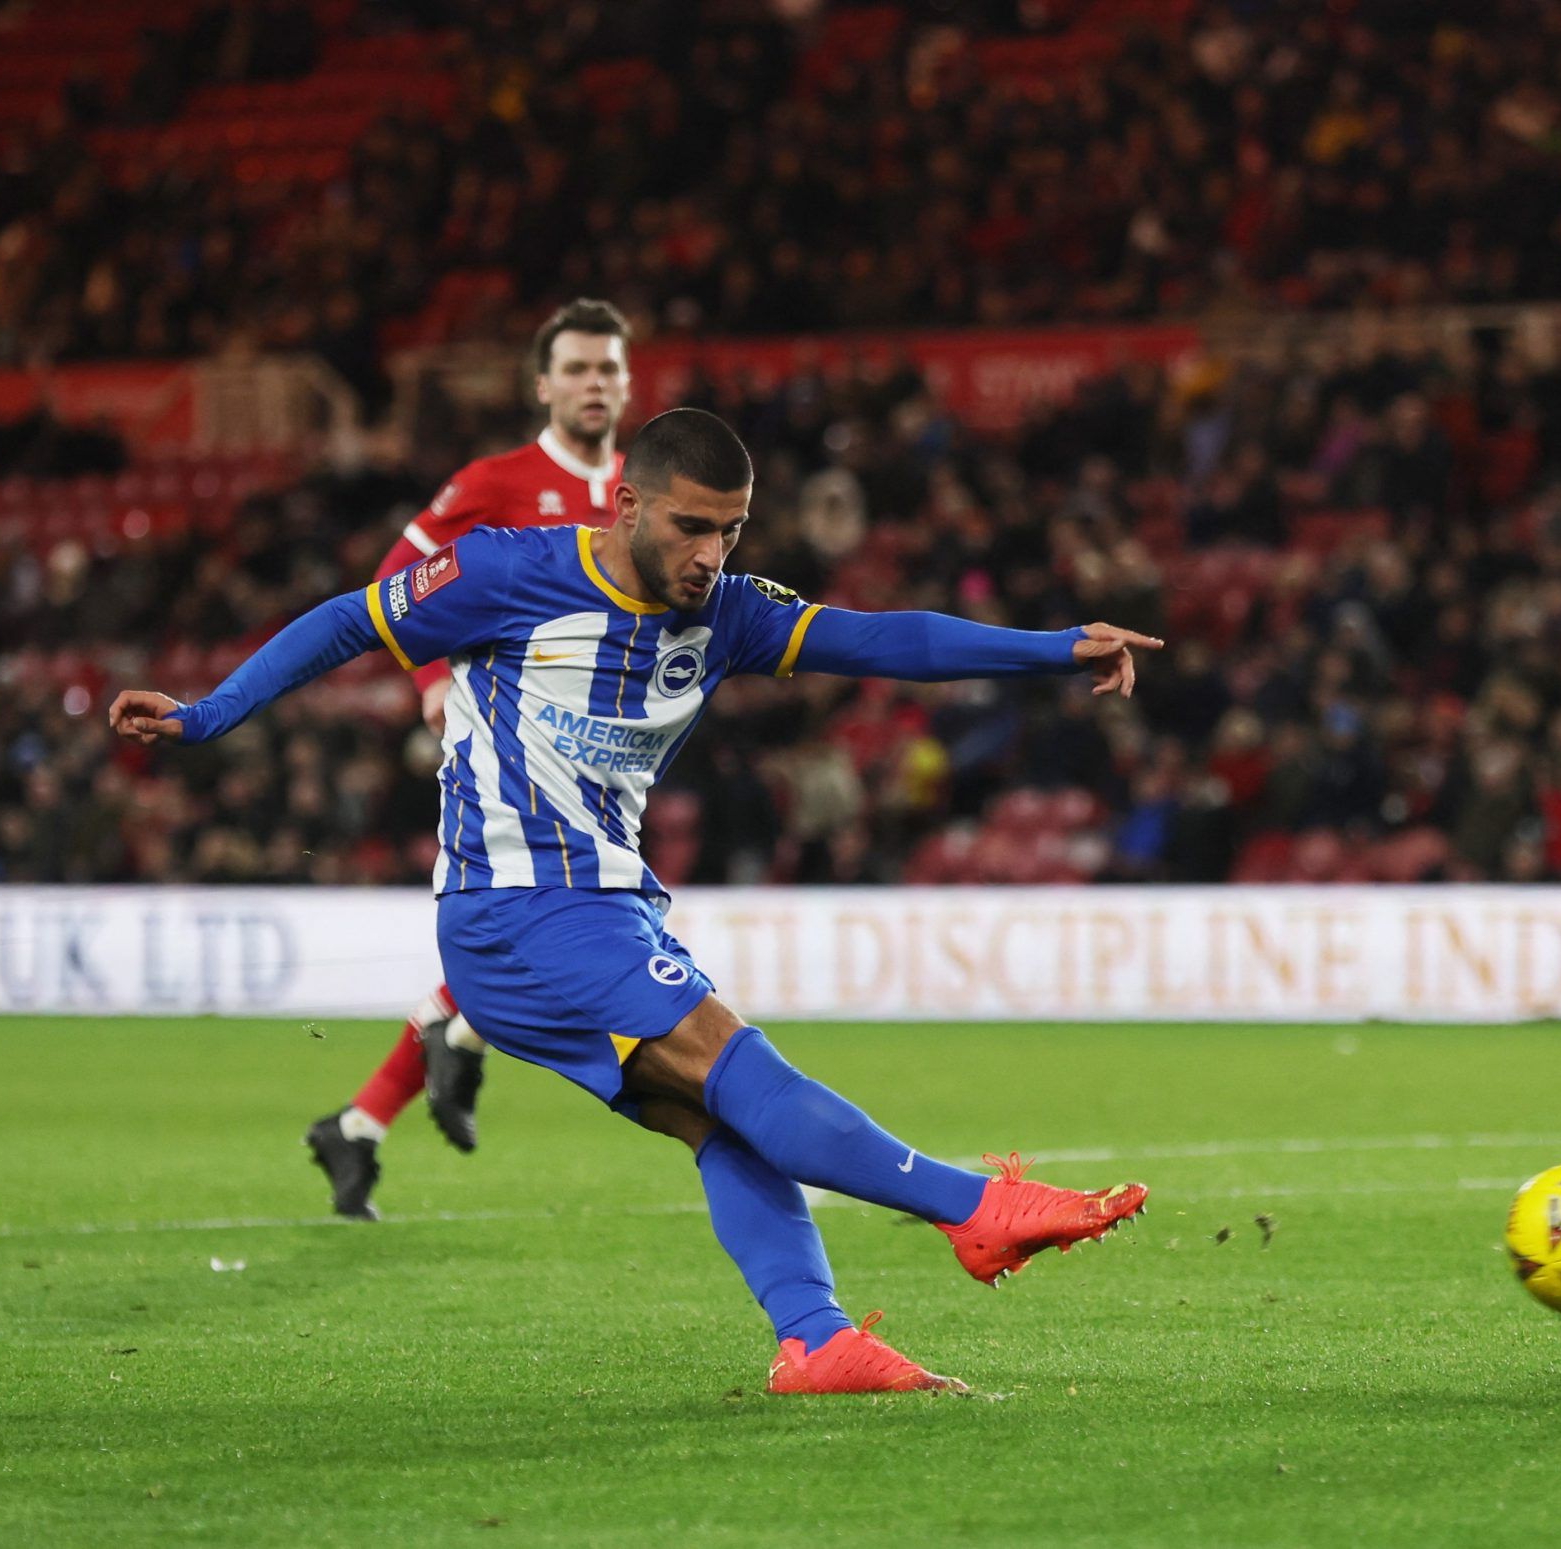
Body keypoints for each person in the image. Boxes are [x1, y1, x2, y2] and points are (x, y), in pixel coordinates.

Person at [112, 408, 1165, 1393]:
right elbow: (352, 621)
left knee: (722, 1124)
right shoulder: (506, 573)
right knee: (733, 1061)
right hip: (517, 910)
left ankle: (814, 1338)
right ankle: (974, 1206)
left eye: (733, 530)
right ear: (626, 506)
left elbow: (890, 640)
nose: (712, 554)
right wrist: (208, 716)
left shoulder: (731, 616)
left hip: (599, 910)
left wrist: (1055, 648)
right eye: (691, 526)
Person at [306, 299, 634, 1220]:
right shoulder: (495, 482)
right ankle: (456, 1032)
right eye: (577, 369)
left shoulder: (640, 492)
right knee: (552, 924)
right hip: (507, 753)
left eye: (609, 368)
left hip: (602, 761)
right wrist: (431, 681)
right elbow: (390, 586)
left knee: (538, 931)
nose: (594, 384)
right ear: (544, 385)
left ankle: (374, 1111)